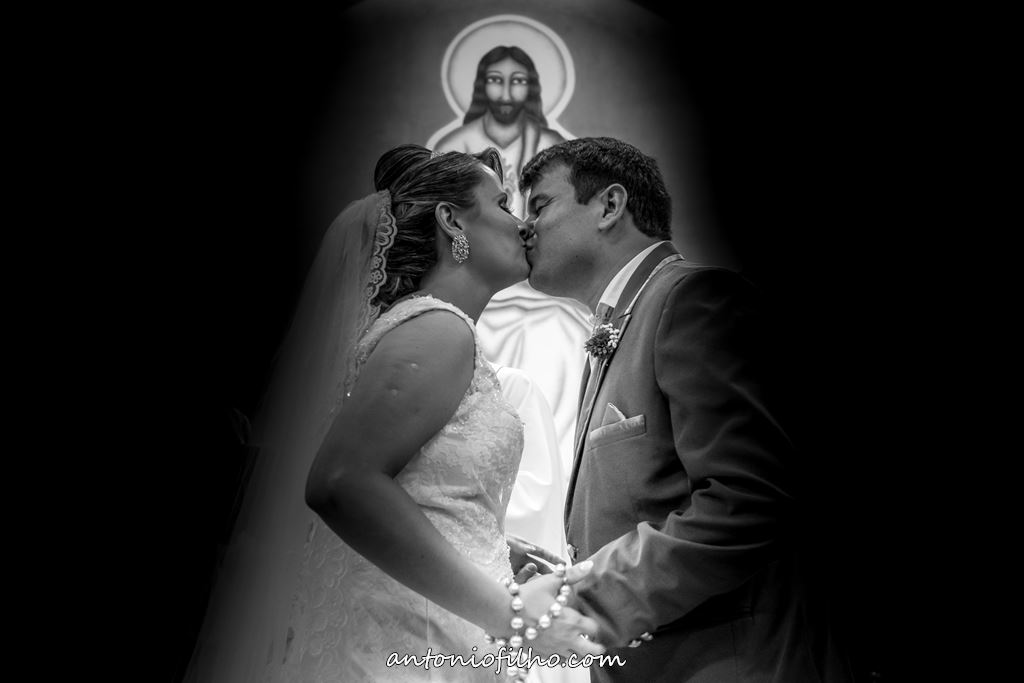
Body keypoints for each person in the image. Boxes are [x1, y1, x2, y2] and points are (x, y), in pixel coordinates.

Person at [184, 144, 606, 683]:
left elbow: (414, 490)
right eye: (502, 204)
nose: (522, 224)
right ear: (452, 220)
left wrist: (488, 546)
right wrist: (514, 614)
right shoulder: (438, 328)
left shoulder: (430, 331)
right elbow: (341, 481)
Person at [518, 137, 853, 682]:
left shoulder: (693, 299)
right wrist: (567, 570)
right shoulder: (623, 321)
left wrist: (585, 595)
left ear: (610, 205)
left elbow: (748, 498)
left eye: (539, 206)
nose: (524, 227)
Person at [435, 45, 565, 217]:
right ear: (482, 85)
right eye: (495, 80)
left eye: (518, 81)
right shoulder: (453, 145)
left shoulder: (551, 145)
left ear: (531, 87)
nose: (506, 95)